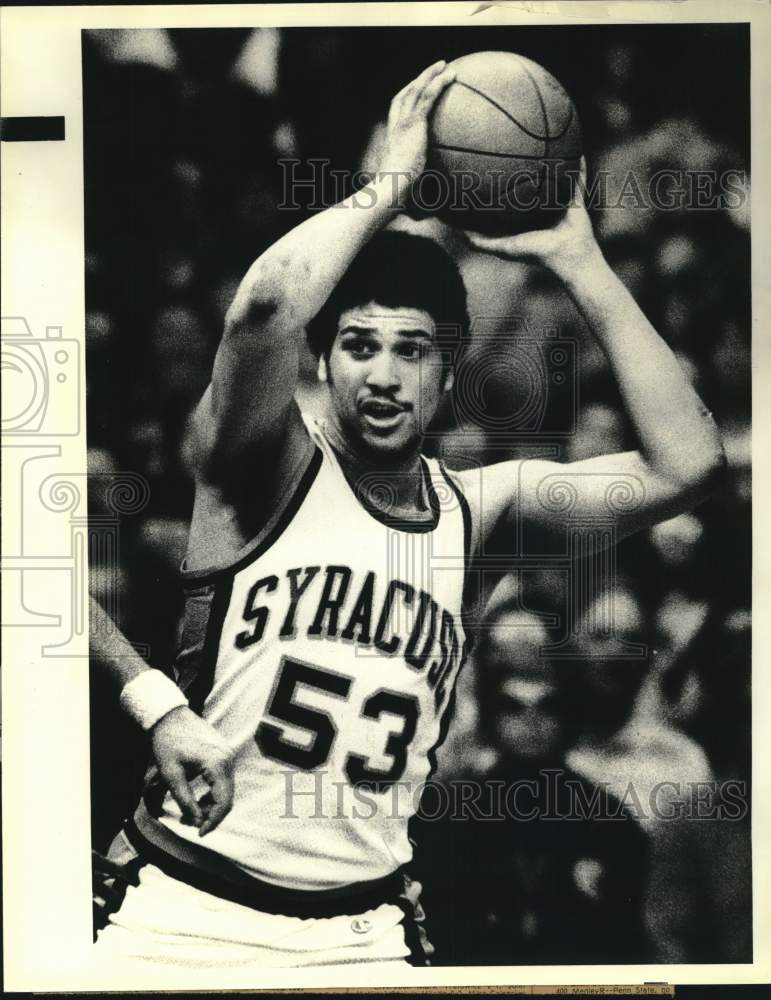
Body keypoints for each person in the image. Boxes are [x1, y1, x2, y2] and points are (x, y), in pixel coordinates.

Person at [93, 59, 725, 973]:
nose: (383, 376)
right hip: (190, 906)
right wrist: (386, 189)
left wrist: (578, 259)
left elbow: (689, 461)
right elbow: (265, 307)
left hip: (366, 932)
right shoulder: (259, 463)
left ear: (447, 369)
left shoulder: (484, 509)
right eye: (357, 346)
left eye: (411, 350)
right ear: (326, 359)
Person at [413, 610, 651, 966]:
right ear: (492, 717)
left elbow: (626, 941)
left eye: (547, 707)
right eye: (513, 708)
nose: (531, 723)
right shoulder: (445, 811)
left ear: (568, 716)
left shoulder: (607, 819)